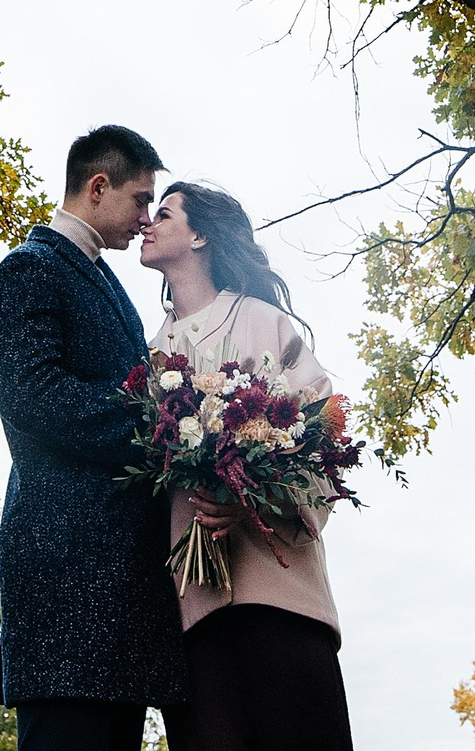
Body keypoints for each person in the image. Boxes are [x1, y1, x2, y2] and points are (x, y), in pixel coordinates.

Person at [0, 125, 189, 751]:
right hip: (69, 580)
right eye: (140, 200)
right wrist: (171, 426)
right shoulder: (29, 269)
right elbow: (38, 398)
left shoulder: (108, 283)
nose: (145, 219)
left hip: (119, 593)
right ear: (98, 188)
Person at [134, 181, 354, 751]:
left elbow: (322, 440)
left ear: (201, 235)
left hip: (280, 602)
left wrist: (247, 495)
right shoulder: (147, 354)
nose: (146, 223)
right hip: (195, 617)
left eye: (164, 213)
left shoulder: (261, 321)